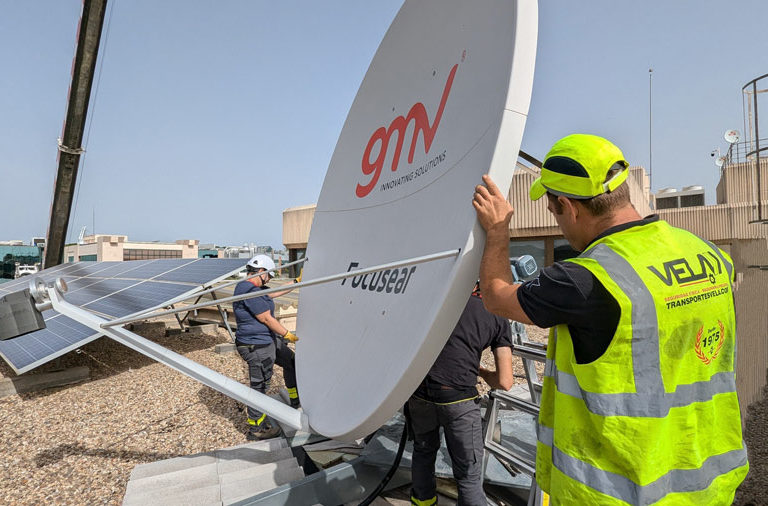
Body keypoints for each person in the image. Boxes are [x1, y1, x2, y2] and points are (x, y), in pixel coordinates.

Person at [472, 133, 748, 504]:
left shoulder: (584, 278)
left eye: (555, 212)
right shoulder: (710, 256)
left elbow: (496, 295)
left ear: (569, 207)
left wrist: (497, 229)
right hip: (708, 484)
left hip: (622, 492)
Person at [408, 282, 514, 506]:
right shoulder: (497, 316)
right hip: (459, 400)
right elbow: (505, 382)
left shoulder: (434, 302)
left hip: (419, 395)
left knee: (423, 452)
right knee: (468, 474)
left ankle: (423, 502)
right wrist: (483, 372)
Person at [233, 254, 300, 440]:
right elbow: (266, 318)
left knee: (290, 362)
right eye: (269, 276)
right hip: (256, 344)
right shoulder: (248, 291)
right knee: (260, 385)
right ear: (261, 272)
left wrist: (296, 281)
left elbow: (274, 293)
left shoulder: (252, 287)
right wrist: (287, 334)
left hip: (268, 340)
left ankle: (295, 398)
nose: (269, 280)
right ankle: (257, 428)